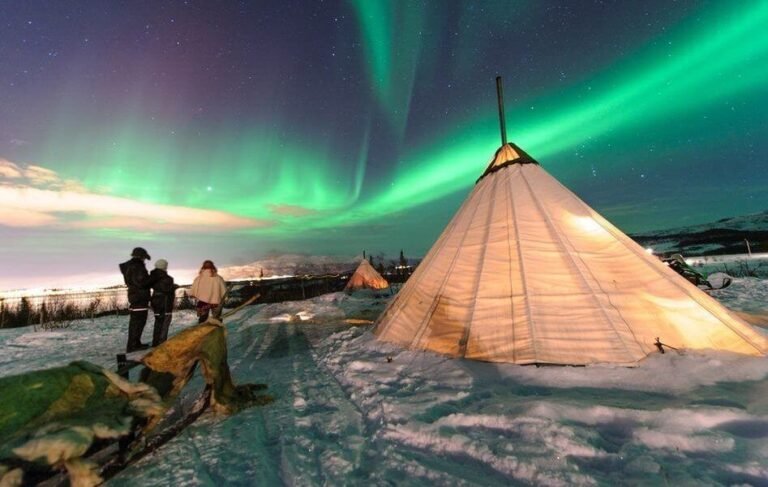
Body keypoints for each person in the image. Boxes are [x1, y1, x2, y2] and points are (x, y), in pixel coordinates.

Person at [119, 247, 152, 352]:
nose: (144, 260)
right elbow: (141, 282)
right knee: (138, 322)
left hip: (135, 296)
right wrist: (151, 279)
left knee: (136, 322)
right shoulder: (137, 267)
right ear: (141, 257)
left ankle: (135, 343)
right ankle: (133, 345)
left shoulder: (131, 266)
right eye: (144, 258)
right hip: (139, 297)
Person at [149, 259, 178, 347]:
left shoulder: (152, 277)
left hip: (156, 303)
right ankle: (161, 344)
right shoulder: (168, 279)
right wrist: (174, 287)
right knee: (165, 323)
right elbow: (166, 289)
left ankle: (156, 342)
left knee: (158, 323)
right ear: (165, 267)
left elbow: (160, 288)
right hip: (165, 303)